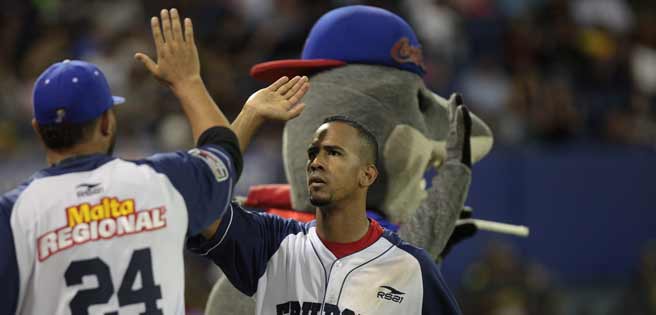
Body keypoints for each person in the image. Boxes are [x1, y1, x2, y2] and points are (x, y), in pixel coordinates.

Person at [0, 9, 308, 315]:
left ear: (38, 130)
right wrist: (188, 82)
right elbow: (222, 154)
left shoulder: (13, 215)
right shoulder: (162, 183)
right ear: (108, 121)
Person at [188, 113, 466, 314]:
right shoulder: (272, 243)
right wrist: (251, 113)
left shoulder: (411, 268)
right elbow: (199, 201)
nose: (316, 163)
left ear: (367, 174)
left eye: (333, 153)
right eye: (312, 153)